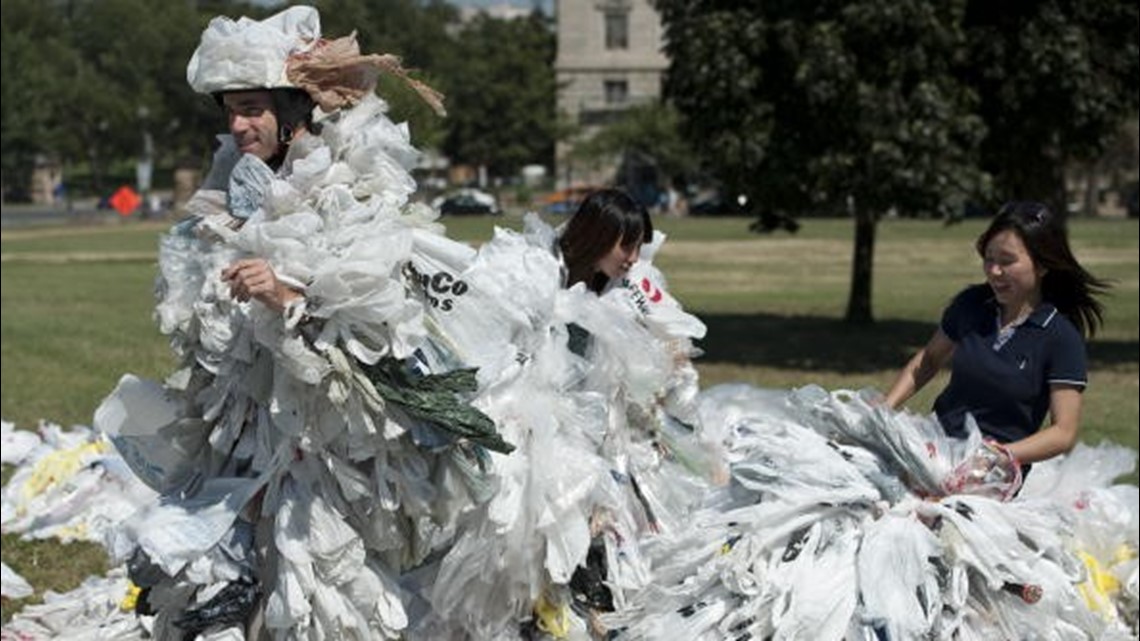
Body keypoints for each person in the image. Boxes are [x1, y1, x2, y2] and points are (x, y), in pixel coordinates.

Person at [98, 7, 504, 640]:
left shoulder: (352, 186)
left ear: (292, 112)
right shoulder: (228, 186)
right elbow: (193, 313)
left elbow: (379, 309)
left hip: (320, 439)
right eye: (230, 110)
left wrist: (287, 292)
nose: (238, 125)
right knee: (235, 562)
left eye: (252, 108)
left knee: (314, 573)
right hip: (243, 420)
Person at [884, 201, 1108, 479]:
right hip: (936, 449)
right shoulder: (972, 304)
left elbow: (1063, 432)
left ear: (1042, 265)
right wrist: (884, 409)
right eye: (989, 259)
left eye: (1007, 261)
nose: (994, 271)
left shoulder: (1061, 336)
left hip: (993, 474)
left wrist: (998, 456)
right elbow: (929, 360)